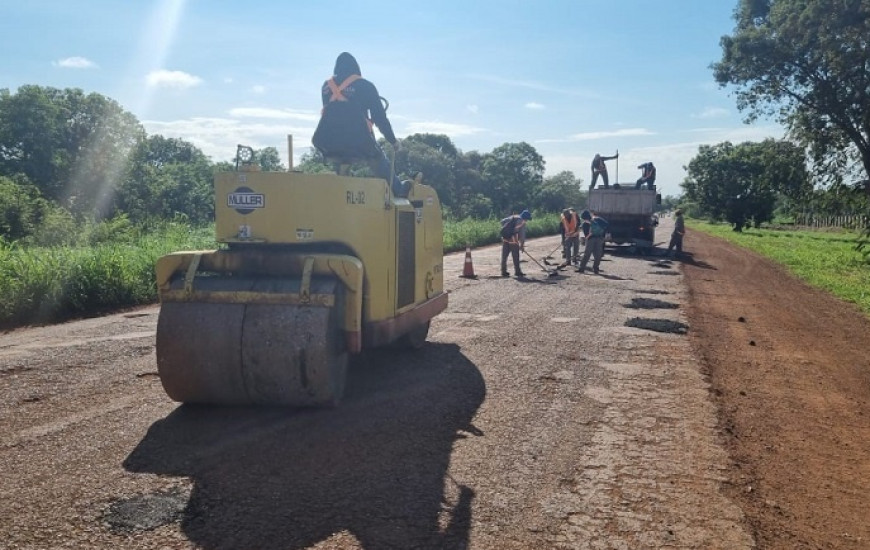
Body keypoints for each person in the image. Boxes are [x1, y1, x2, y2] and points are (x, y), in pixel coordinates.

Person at [312, 52, 401, 188]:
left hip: (328, 141)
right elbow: (379, 118)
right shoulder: (365, 86)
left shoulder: (326, 86)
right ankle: (397, 189)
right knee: (377, 158)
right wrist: (393, 141)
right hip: (358, 140)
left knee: (342, 154)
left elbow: (332, 114)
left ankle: (341, 180)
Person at [577, 210, 609, 274]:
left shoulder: (585, 224)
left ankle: (581, 268)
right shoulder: (598, 219)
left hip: (591, 240)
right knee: (598, 255)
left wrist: (583, 240)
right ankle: (596, 269)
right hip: (600, 238)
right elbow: (607, 225)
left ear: (583, 218)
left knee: (587, 254)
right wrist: (604, 235)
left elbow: (586, 236)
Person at [500, 211, 527, 277]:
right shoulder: (522, 222)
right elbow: (522, 235)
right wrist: (522, 245)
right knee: (516, 257)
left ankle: (503, 272)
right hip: (513, 241)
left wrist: (508, 230)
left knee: (504, 256)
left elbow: (501, 222)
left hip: (505, 239)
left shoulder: (512, 217)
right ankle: (517, 272)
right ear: (525, 218)